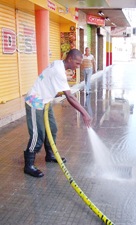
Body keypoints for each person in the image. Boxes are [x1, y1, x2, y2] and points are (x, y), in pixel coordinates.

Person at [24, 49, 91, 178]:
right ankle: (28, 165)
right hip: (35, 101)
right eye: (77, 63)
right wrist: (84, 113)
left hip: (45, 101)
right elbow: (70, 97)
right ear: (70, 59)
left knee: (53, 129)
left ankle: (49, 155)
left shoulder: (58, 64)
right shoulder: (59, 71)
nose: (78, 67)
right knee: (37, 135)